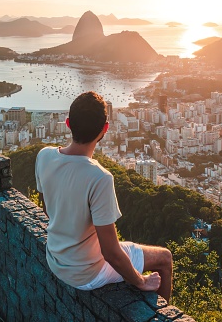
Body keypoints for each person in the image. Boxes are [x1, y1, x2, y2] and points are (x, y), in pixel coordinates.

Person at [35, 91, 173, 300]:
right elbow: (111, 253)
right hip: (86, 273)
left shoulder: (44, 156)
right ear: (105, 130)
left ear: (68, 123)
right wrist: (141, 281)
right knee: (164, 258)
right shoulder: (99, 177)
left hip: (55, 258)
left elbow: (47, 209)